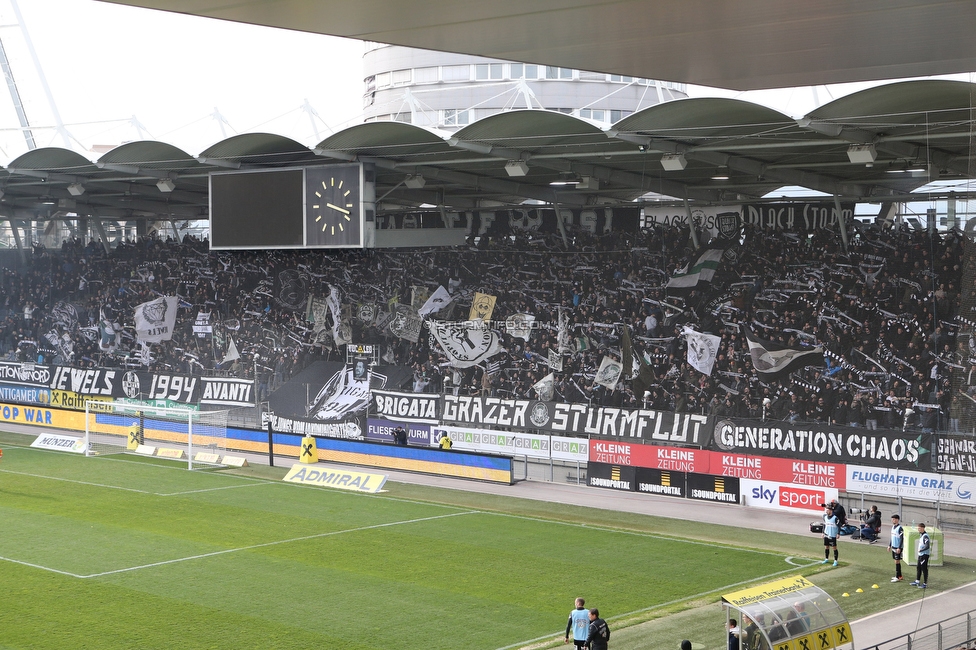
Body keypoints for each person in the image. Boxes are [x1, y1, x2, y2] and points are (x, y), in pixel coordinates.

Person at [910, 523, 931, 588]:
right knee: (918, 567)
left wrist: (921, 550)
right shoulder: (922, 535)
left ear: (923, 528)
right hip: (921, 555)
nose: (918, 529)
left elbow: (927, 546)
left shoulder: (925, 536)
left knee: (924, 569)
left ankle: (925, 583)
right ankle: (917, 581)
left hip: (924, 555)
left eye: (919, 528)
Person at [888, 514, 904, 582]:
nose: (892, 520)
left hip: (898, 547)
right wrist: (889, 545)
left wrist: (899, 547)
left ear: (897, 519)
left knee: (897, 561)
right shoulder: (893, 527)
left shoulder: (900, 528)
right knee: (896, 561)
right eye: (892, 519)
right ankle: (899, 576)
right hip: (893, 547)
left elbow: (901, 538)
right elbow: (892, 537)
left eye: (894, 519)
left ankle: (897, 577)